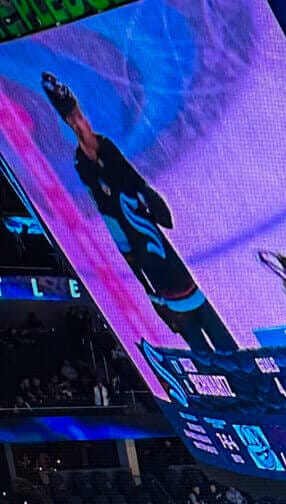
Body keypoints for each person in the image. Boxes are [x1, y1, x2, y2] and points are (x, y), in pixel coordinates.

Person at [41, 73, 237, 352]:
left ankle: (240, 376)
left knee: (217, 341)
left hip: (159, 258)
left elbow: (88, 137)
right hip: (154, 267)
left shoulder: (117, 174)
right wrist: (154, 299)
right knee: (204, 347)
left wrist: (146, 194)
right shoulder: (103, 186)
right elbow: (85, 138)